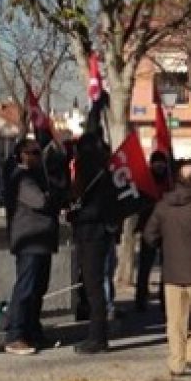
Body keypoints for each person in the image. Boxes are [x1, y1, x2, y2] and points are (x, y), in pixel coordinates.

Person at [142, 162, 191, 376]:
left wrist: (166, 247)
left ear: (176, 180)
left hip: (172, 274)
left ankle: (176, 363)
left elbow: (149, 236)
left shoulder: (162, 206)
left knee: (176, 322)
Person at [2, 138, 64, 356]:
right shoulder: (21, 177)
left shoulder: (35, 176)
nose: (39, 157)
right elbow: (40, 202)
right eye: (34, 153)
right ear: (22, 155)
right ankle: (15, 335)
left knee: (39, 289)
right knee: (26, 288)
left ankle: (32, 331)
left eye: (39, 152)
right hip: (29, 240)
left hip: (41, 240)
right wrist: (52, 195)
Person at [67, 132, 115, 354]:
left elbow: (97, 210)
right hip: (93, 235)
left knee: (94, 288)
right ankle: (96, 335)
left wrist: (76, 215)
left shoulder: (97, 175)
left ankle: (98, 338)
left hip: (92, 236)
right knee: (92, 288)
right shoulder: (102, 173)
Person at [134, 150, 173, 312]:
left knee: (168, 266)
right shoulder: (145, 182)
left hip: (167, 229)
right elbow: (138, 204)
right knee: (145, 266)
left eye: (162, 163)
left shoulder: (170, 182)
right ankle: (140, 300)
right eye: (156, 163)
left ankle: (165, 299)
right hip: (149, 227)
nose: (160, 166)